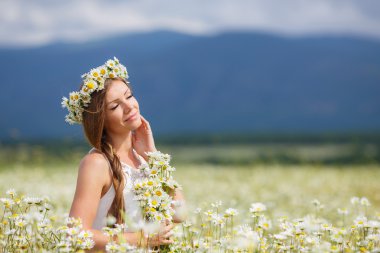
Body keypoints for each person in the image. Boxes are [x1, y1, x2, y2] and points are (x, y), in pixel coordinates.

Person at [62, 57, 185, 251]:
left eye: (129, 96)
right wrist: (142, 239)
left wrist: (153, 156)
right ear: (100, 119)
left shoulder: (143, 159)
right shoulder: (96, 163)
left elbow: (179, 214)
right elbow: (75, 234)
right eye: (115, 106)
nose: (129, 107)